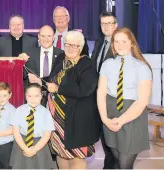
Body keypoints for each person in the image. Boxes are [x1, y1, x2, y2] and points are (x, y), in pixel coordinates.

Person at [97, 27, 152, 169]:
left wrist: (120, 121)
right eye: (116, 42)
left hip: (132, 117)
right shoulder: (107, 64)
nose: (119, 45)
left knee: (125, 165)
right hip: (110, 116)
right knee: (116, 162)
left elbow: (142, 101)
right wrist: (105, 119)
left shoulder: (142, 68)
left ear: (132, 43)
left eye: (123, 41)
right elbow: (101, 93)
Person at [46, 31, 100, 169]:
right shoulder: (60, 59)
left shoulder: (87, 64)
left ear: (81, 47)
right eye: (67, 44)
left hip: (78, 120)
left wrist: (58, 89)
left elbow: (84, 89)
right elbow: (53, 79)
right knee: (61, 153)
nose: (70, 48)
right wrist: (40, 80)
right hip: (57, 119)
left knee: (77, 155)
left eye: (74, 46)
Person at [91, 11, 118, 169]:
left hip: (113, 99)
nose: (106, 26)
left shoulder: (121, 43)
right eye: (103, 24)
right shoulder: (99, 42)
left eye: (109, 23)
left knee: (113, 141)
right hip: (98, 97)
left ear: (116, 25)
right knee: (104, 137)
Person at [9, 83, 56, 169]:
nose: (33, 99)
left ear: (41, 96)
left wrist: (35, 149)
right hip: (22, 144)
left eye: (36, 96)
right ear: (25, 96)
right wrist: (25, 148)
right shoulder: (19, 110)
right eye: (29, 96)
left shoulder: (46, 113)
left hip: (39, 145)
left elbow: (47, 135)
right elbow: (15, 132)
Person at [22, 25, 64, 106]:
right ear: (38, 36)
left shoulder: (62, 55)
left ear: (54, 37)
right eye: (43, 36)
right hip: (34, 98)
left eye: (49, 36)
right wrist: (20, 62)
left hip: (56, 98)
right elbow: (22, 75)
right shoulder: (29, 53)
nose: (46, 39)